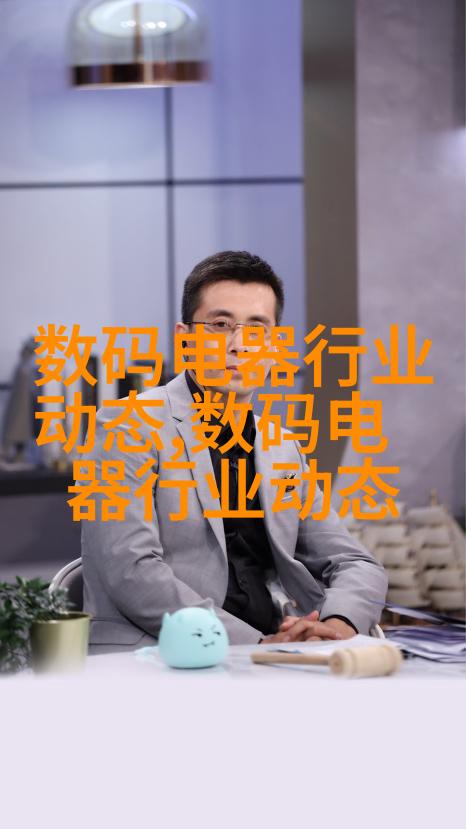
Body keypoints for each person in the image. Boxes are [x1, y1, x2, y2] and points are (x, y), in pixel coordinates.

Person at [81, 250, 387, 652]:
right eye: (220, 325)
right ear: (185, 338)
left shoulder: (281, 448)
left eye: (257, 329)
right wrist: (257, 643)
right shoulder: (126, 425)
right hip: (158, 656)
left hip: (272, 658)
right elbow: (130, 572)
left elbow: (356, 563)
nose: (239, 346)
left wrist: (337, 625)